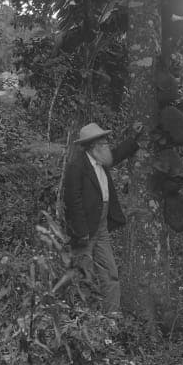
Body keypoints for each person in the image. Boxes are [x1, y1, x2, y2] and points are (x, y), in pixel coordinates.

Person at [63, 121, 143, 315]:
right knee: (83, 277)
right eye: (104, 143)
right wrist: (81, 233)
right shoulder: (77, 166)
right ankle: (80, 322)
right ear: (93, 147)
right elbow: (73, 202)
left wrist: (133, 139)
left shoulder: (101, 161)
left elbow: (116, 155)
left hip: (101, 228)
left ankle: (111, 320)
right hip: (85, 230)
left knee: (110, 274)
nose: (107, 145)